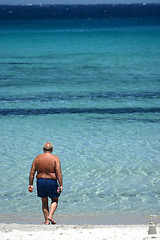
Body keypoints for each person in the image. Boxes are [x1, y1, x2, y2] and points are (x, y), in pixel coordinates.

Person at [28, 142, 63, 225]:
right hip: (51, 181)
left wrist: (30, 184)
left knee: (44, 201)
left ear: (43, 149)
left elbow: (32, 172)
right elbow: (59, 173)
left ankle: (46, 221)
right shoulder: (55, 158)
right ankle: (50, 216)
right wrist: (61, 184)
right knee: (54, 200)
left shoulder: (37, 158)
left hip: (40, 181)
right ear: (52, 149)